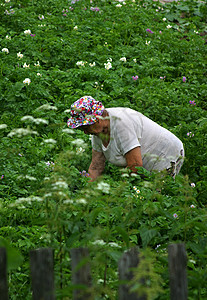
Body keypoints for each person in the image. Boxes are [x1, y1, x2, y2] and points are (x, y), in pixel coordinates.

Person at [67, 96, 184, 181]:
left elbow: (135, 165)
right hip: (144, 161)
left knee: (157, 198)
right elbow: (96, 166)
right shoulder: (98, 133)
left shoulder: (121, 124)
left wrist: (119, 190)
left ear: (96, 119)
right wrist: (86, 193)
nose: (85, 132)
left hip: (165, 152)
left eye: (86, 127)